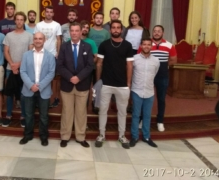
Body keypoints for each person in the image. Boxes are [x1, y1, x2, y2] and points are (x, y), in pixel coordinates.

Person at [95, 20, 134, 149]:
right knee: (103, 110)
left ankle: (122, 136)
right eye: (114, 28)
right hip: (106, 84)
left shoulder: (128, 45)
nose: (116, 30)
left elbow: (129, 65)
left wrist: (128, 84)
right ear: (110, 30)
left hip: (122, 85)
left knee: (122, 112)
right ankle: (101, 134)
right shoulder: (104, 44)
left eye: (118, 28)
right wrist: (98, 82)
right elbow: (99, 64)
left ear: (121, 30)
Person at [57, 22, 94, 148]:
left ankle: (80, 137)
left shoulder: (87, 47)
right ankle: (65, 136)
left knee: (81, 112)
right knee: (67, 112)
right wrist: (70, 77)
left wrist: (78, 77)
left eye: (76, 30)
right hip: (67, 84)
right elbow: (60, 65)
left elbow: (90, 66)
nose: (74, 33)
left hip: (82, 84)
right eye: (72, 30)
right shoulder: (64, 47)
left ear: (81, 31)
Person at [19, 32, 56, 146]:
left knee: (44, 116)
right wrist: (31, 85)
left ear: (44, 40)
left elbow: (51, 73)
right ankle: (28, 135)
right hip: (28, 89)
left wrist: (39, 86)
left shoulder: (50, 56)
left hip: (43, 90)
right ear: (33, 40)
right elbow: (22, 71)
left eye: (40, 39)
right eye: (36, 38)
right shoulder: (26, 55)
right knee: (28, 115)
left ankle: (43, 136)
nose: (38, 40)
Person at [138, 25, 177, 132]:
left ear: (162, 33)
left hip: (162, 75)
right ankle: (142, 120)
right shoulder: (147, 44)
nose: (156, 33)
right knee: (145, 98)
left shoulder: (169, 45)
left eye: (159, 31)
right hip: (147, 75)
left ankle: (160, 121)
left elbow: (174, 60)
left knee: (161, 99)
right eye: (154, 31)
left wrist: (161, 65)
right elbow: (139, 57)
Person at [2, 12, 33, 127]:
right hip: (10, 69)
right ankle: (8, 115)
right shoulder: (9, 35)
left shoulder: (29, 36)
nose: (19, 21)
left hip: (24, 69)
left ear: (24, 21)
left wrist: (19, 65)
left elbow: (30, 53)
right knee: (10, 94)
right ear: (14, 21)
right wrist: (12, 64)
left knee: (23, 94)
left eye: (21, 19)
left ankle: (23, 116)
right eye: (17, 19)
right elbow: (5, 51)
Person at [130, 38, 160, 148]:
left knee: (147, 116)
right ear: (141, 46)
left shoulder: (156, 61)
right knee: (136, 115)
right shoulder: (134, 59)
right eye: (144, 44)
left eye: (149, 44)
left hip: (149, 92)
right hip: (136, 90)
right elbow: (131, 73)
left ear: (151, 46)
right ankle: (134, 136)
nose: (146, 46)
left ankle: (146, 136)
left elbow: (155, 74)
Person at [34, 5, 62, 108]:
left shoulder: (57, 25)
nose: (49, 13)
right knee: (39, 77)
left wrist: (58, 53)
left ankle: (51, 99)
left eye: (51, 12)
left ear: (53, 14)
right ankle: (39, 99)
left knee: (51, 78)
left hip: (52, 55)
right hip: (40, 54)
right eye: (47, 12)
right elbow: (35, 38)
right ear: (44, 13)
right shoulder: (39, 25)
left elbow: (59, 39)